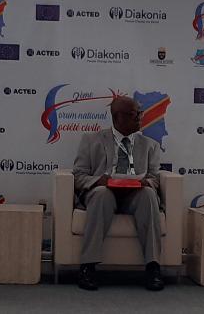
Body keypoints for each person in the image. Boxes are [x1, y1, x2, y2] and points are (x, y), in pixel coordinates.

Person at [71, 95, 164, 291]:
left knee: (148, 195)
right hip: (104, 193)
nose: (140, 117)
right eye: (134, 114)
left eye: (140, 113)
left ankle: (153, 268)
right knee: (101, 194)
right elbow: (78, 176)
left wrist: (146, 182)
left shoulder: (150, 145)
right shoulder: (91, 140)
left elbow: (155, 178)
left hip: (135, 195)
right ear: (117, 117)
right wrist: (99, 180)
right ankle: (88, 267)